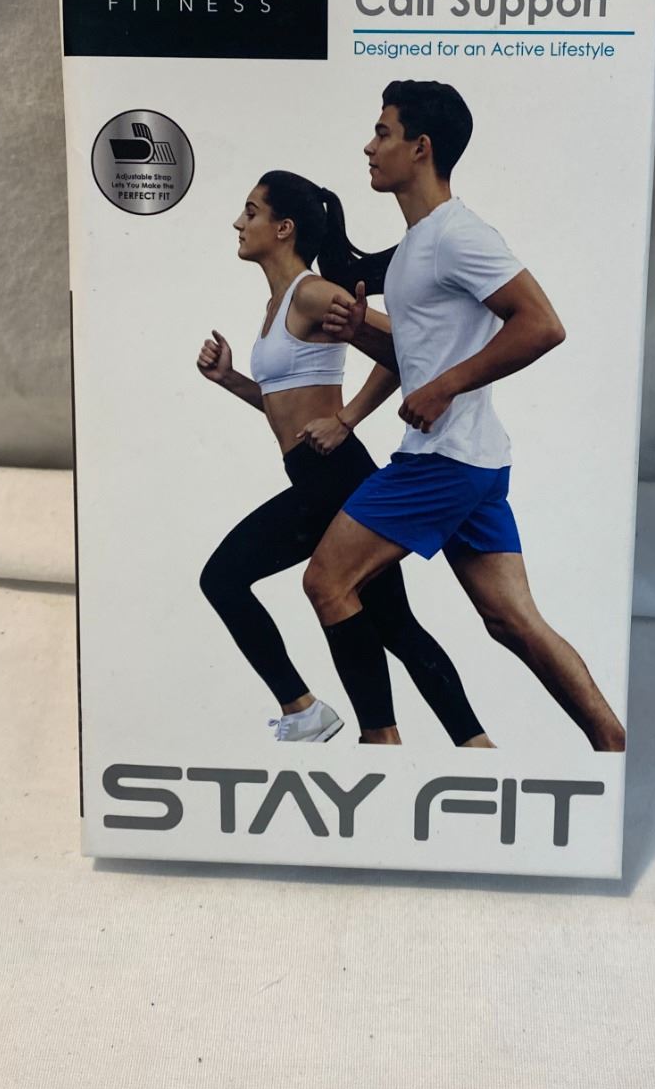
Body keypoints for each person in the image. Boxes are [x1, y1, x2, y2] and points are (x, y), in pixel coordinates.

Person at [301, 81, 627, 752]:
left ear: (420, 148)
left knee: (327, 580)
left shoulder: (459, 235)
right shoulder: (418, 245)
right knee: (512, 622)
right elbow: (416, 358)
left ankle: (379, 747)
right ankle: (612, 748)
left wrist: (448, 385)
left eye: (383, 133)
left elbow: (542, 324)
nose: (369, 147)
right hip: (473, 460)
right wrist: (359, 331)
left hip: (443, 460)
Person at [195, 168, 493, 747]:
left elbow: (412, 347)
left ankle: (306, 710)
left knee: (223, 579)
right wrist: (230, 379)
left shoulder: (311, 293)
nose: (238, 222)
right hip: (319, 473)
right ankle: (468, 745)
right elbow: (287, 408)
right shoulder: (279, 303)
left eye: (250, 212)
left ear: (284, 228)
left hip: (333, 477)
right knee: (395, 625)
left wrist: (348, 417)